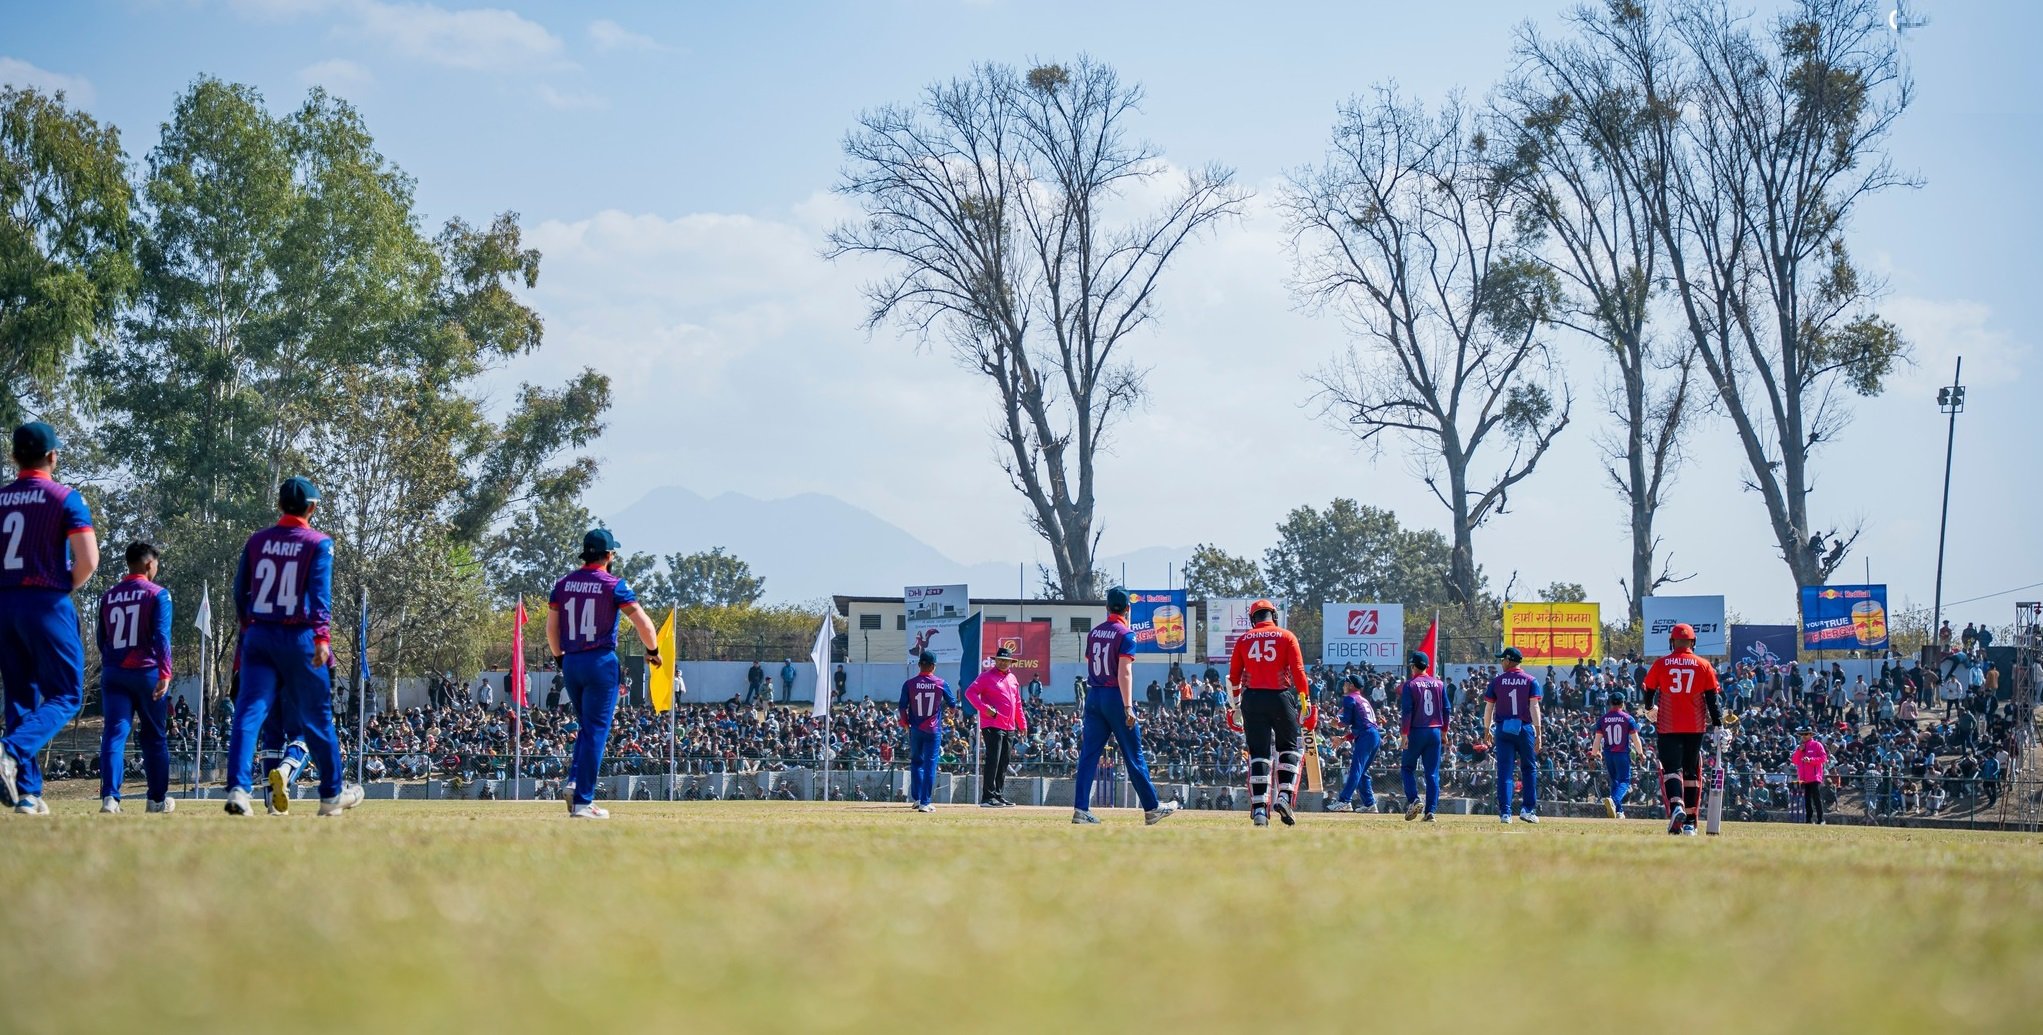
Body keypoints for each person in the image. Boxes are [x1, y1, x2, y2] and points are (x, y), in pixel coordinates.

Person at [223, 477, 363, 817]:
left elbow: (239, 590)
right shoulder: (318, 542)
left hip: (259, 634)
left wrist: (250, 626)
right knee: (317, 719)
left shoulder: (257, 541)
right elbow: (319, 595)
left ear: (279, 505)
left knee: (249, 714)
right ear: (311, 508)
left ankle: (239, 791)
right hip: (299, 636)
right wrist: (322, 638)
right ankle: (330, 795)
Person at [0, 423, 97, 814]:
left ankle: (29, 793)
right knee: (67, 693)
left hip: (4, 601)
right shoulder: (65, 498)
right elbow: (88, 560)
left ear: (14, 457)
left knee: (20, 696)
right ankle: (9, 752)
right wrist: (61, 588)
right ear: (53, 456)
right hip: (45, 599)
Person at [547, 528, 661, 819]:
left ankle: (575, 783)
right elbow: (644, 625)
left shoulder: (563, 584)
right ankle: (583, 801)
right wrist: (652, 651)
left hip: (571, 661)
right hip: (600, 662)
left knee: (586, 728)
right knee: (597, 731)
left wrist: (561, 659)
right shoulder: (613, 584)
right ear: (609, 555)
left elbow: (551, 630)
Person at [1072, 588, 1178, 826]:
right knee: (1133, 754)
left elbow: (1092, 662)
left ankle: (1081, 809)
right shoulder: (1127, 634)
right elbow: (1124, 671)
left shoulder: (1094, 632)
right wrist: (1128, 706)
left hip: (1094, 695)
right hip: (1114, 696)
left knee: (1089, 755)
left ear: (1107, 608)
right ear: (1127, 609)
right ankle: (1152, 808)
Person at [95, 542, 175, 814]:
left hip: (114, 672)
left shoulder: (108, 596)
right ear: (149, 564)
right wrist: (165, 672)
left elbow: (101, 639)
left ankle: (109, 798)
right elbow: (162, 637)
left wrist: (115, 663)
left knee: (114, 733)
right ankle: (156, 800)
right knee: (154, 737)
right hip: (146, 672)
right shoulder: (158, 595)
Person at [1642, 622, 1731, 836]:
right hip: (1695, 725)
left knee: (1672, 770)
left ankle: (1677, 807)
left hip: (1668, 725)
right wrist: (1718, 725)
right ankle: (1690, 821)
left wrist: (1649, 707)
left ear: (1672, 642)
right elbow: (1712, 698)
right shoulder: (1703, 665)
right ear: (1693, 642)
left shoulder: (1662, 663)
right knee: (1692, 772)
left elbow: (1648, 689)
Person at [1227, 598, 1309, 827]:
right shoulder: (1287, 636)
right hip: (1280, 697)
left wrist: (1234, 708)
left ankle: (1260, 810)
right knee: (1289, 748)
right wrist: (1306, 701)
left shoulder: (1243, 639)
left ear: (1253, 618)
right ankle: (1284, 796)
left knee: (1259, 754)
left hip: (1252, 699)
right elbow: (1299, 671)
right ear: (1273, 615)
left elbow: (1233, 677)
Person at [1483, 646, 1542, 824]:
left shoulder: (1497, 681)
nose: (1501, 662)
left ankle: (1505, 814)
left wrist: (1487, 729)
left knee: (1505, 771)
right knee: (1529, 769)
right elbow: (1535, 707)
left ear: (1509, 660)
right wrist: (1539, 733)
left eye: (1503, 659)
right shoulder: (1531, 680)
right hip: (1524, 728)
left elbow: (1489, 708)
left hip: (1503, 729)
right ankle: (1527, 810)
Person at [964, 646, 1025, 807]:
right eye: (1001, 660)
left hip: (1009, 726)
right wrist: (985, 709)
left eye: (1007, 661)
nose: (1004, 663)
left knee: (1004, 761)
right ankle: (987, 797)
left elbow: (1017, 703)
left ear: (1011, 662)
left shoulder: (1013, 679)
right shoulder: (986, 677)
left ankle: (998, 795)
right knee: (994, 759)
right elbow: (969, 693)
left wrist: (1022, 723)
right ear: (995, 660)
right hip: (992, 724)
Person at [898, 651, 955, 812]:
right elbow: (952, 703)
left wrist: (906, 723)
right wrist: (951, 711)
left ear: (919, 664)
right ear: (933, 666)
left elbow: (902, 707)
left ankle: (917, 799)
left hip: (915, 728)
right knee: (930, 764)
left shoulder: (909, 684)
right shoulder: (940, 683)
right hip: (932, 729)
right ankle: (925, 801)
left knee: (916, 763)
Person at [1398, 650, 1449, 822]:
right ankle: (1430, 812)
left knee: (1407, 768)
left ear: (1413, 666)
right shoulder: (1439, 684)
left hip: (1416, 730)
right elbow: (1447, 709)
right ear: (1428, 666)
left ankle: (1414, 799)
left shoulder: (1410, 685)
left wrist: (1404, 734)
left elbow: (1407, 711)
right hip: (1435, 730)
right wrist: (1445, 731)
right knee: (1432, 773)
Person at [1326, 673, 1380, 813]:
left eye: (1346, 683)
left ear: (1351, 685)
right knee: (1362, 772)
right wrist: (1343, 738)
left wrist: (1336, 724)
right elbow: (1361, 727)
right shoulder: (1363, 699)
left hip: (1366, 736)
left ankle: (1344, 801)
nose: (1343, 685)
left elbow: (1345, 722)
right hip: (1373, 736)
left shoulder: (1350, 698)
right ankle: (1370, 804)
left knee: (1356, 769)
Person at [1592, 693, 1643, 819]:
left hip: (1608, 754)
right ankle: (1614, 801)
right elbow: (1635, 739)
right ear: (1622, 703)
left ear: (1609, 703)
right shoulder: (1628, 718)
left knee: (1614, 781)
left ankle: (1619, 812)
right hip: (1622, 753)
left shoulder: (1603, 719)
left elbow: (1597, 740)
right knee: (1625, 781)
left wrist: (1593, 755)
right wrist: (1640, 753)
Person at [1792, 726, 1829, 824]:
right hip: (1803, 778)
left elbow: (1823, 758)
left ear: (1811, 735)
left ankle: (1821, 819)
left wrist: (1811, 760)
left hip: (1814, 776)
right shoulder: (1800, 747)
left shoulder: (1817, 745)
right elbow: (1794, 761)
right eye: (1802, 734)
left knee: (1816, 798)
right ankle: (1808, 820)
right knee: (1807, 799)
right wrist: (1799, 750)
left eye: (1805, 734)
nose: (1803, 736)